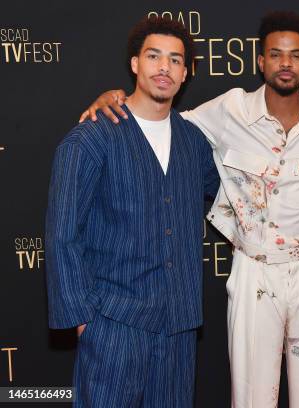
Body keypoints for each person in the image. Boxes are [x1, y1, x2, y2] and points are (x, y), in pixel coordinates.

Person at [79, 11, 299, 408]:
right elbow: (158, 120)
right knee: (252, 395)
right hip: (253, 264)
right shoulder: (228, 110)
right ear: (261, 61)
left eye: (295, 56)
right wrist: (114, 97)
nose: (285, 63)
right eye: (275, 54)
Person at [45, 16, 219, 407]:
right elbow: (62, 233)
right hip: (113, 322)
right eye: (154, 56)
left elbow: (234, 191)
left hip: (178, 326)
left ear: (186, 72)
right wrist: (84, 320)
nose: (164, 67)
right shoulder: (92, 137)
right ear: (135, 64)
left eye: (175, 60)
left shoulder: (194, 143)